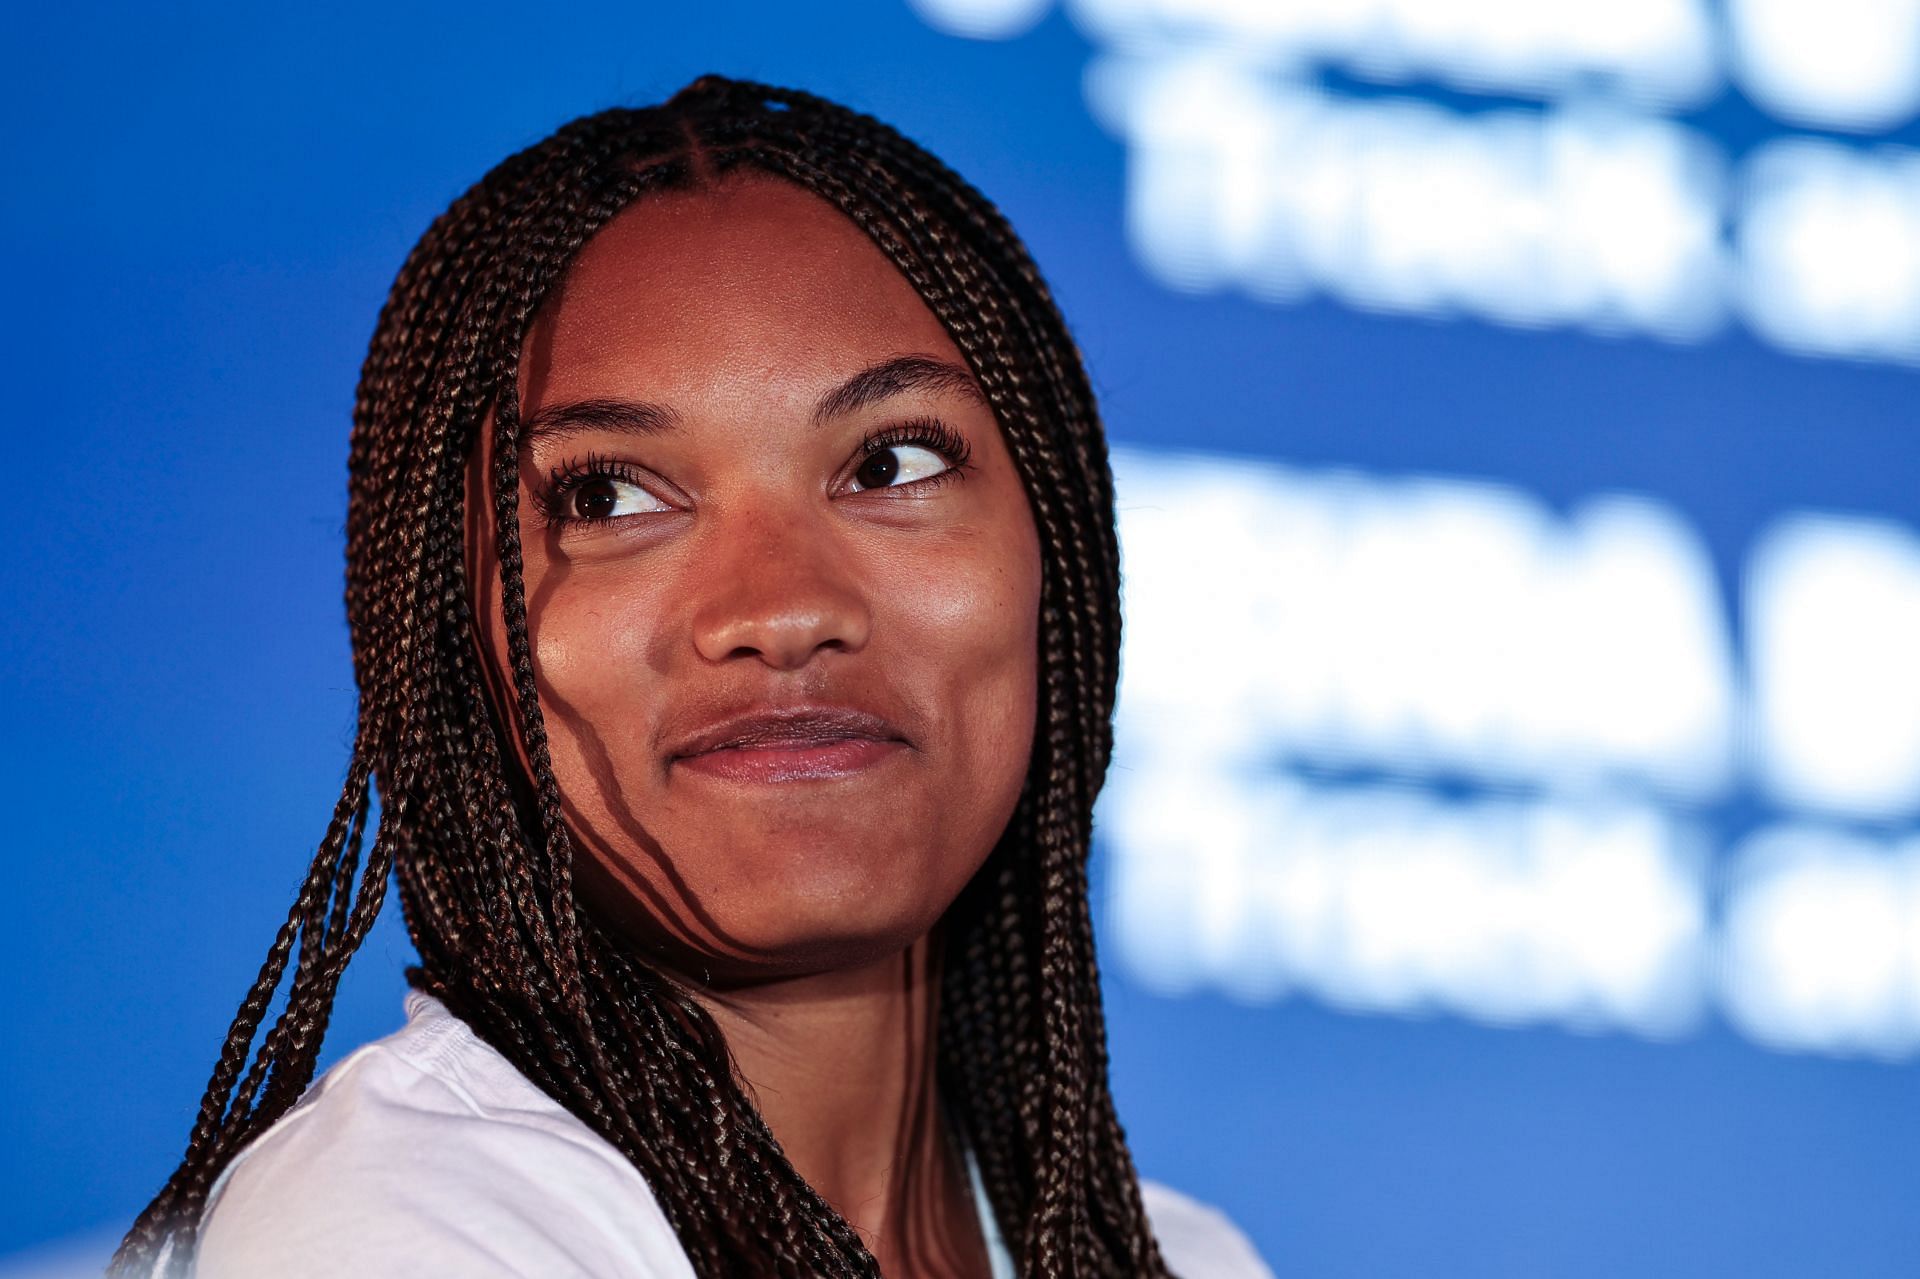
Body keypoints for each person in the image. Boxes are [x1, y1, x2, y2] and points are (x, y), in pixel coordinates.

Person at [112, 75, 1272, 1279]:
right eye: (606, 496)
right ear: (452, 628)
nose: (781, 610)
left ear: (1061, 549)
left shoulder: (1176, 1256)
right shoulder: (406, 1230)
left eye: (892, 462)